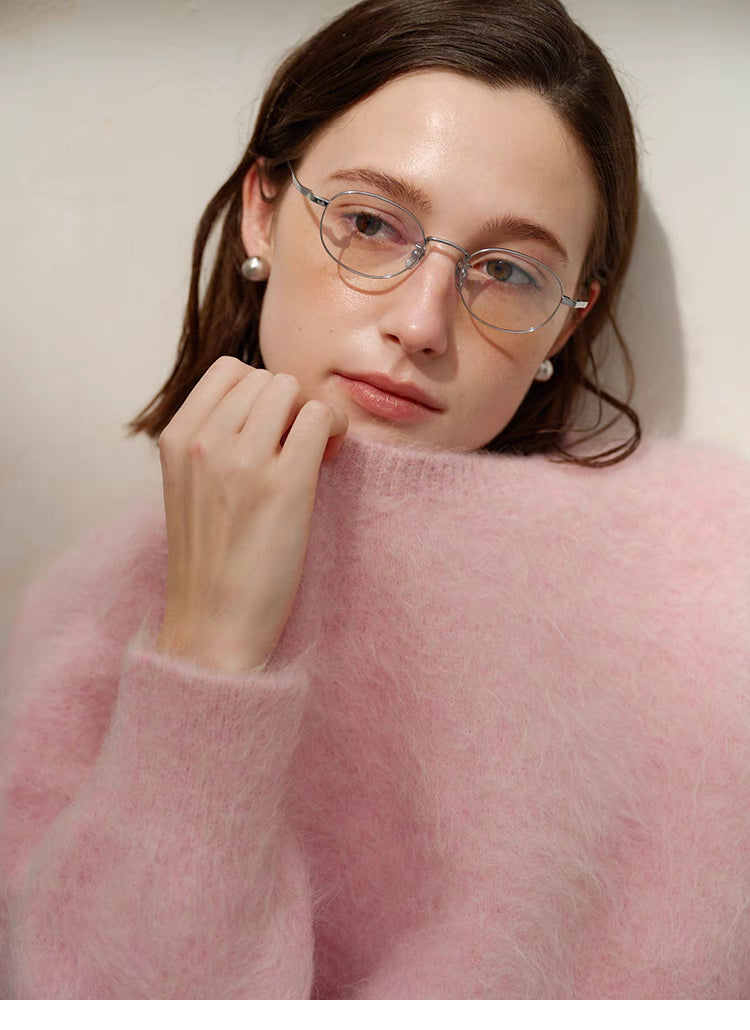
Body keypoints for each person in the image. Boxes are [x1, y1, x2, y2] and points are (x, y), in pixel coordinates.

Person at [1, 0, 748, 1000]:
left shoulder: (713, 569)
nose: (421, 320)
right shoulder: (88, 613)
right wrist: (209, 654)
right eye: (368, 222)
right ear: (264, 209)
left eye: (508, 270)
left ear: (570, 322)